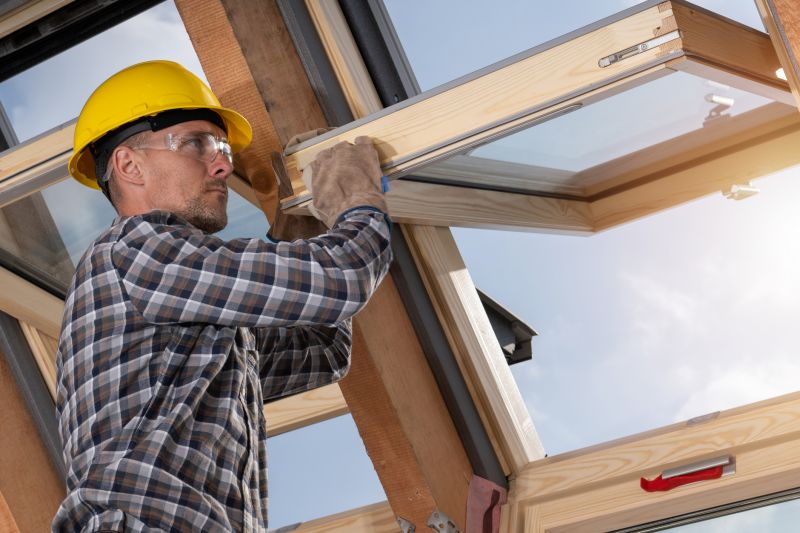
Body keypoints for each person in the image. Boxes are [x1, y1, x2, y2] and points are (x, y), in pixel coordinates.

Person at [52, 60, 392, 532]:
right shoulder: (134, 248)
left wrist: (306, 230)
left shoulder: (191, 317)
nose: (224, 165)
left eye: (223, 148)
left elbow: (323, 350)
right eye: (195, 144)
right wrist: (359, 201)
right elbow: (344, 279)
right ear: (128, 164)